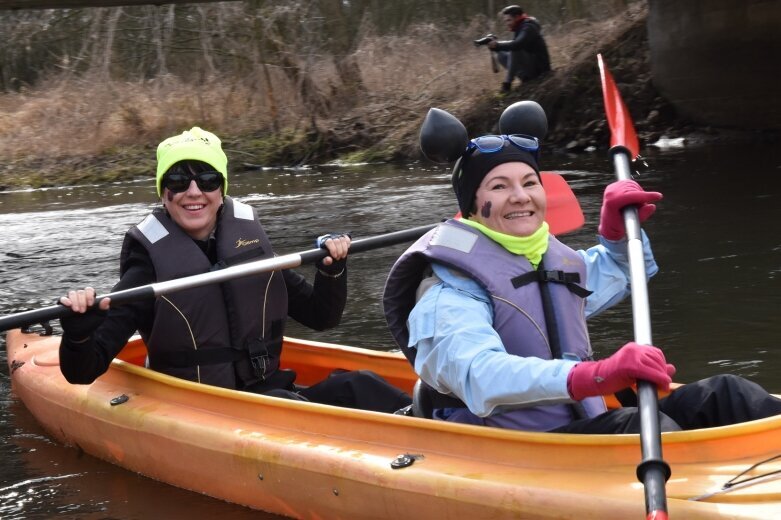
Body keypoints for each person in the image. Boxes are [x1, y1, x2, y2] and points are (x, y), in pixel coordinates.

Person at [383, 132, 781, 433]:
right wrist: (597, 375)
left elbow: (623, 273)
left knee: (728, 394)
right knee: (646, 429)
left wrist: (616, 236)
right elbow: (480, 376)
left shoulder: (544, 258)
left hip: (588, 421)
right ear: (472, 206)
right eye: (500, 186)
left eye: (529, 182)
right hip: (524, 445)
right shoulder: (447, 290)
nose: (520, 196)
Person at [58, 127, 410, 413]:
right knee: (283, 404)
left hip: (268, 392)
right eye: (178, 180)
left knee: (360, 385)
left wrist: (332, 270)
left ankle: (437, 424)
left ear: (222, 190)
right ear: (164, 194)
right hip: (201, 408)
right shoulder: (148, 266)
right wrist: (78, 334)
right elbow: (83, 371)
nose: (193, 191)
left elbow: (322, 316)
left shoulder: (248, 247)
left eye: (208, 179)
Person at [486, 5, 551, 93]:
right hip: (531, 66)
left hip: (540, 71)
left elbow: (517, 44)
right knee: (501, 55)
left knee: (515, 49)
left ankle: (507, 84)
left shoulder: (528, 27)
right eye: (506, 21)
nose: (507, 23)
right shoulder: (520, 26)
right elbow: (514, 44)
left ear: (517, 17)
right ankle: (526, 79)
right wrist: (497, 47)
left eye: (509, 20)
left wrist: (497, 45)